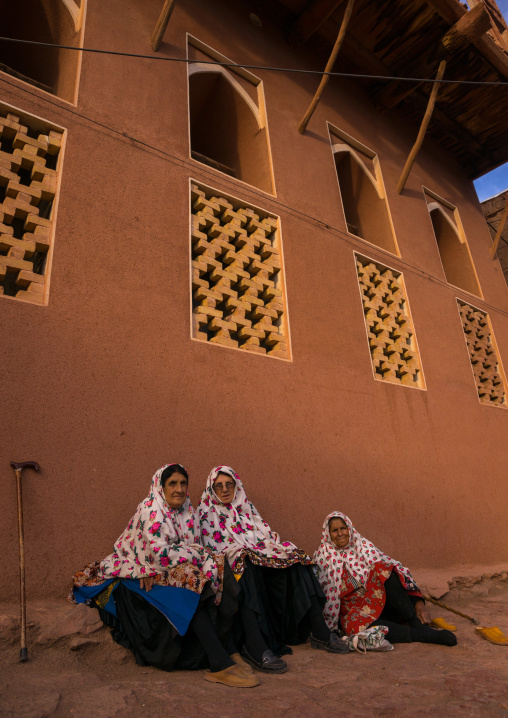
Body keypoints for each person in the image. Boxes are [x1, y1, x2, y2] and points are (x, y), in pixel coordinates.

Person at [70, 463, 258, 687]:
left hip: (169, 569)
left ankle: (228, 647)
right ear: (160, 487)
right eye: (172, 484)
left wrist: (194, 554)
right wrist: (194, 554)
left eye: (183, 483)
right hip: (143, 571)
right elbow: (162, 556)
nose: (179, 489)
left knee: (220, 566)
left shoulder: (188, 511)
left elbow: (190, 549)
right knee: (192, 576)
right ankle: (219, 663)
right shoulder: (151, 510)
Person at [198, 466, 348, 674]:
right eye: (219, 486)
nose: (225, 489)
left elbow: (265, 536)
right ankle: (254, 645)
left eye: (229, 484)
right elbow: (211, 548)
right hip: (235, 568)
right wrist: (245, 552)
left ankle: (320, 631)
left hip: (258, 559)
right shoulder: (206, 513)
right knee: (243, 563)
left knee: (295, 556)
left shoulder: (246, 507)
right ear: (212, 488)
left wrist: (272, 549)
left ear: (236, 485)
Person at [313, 512, 457, 646]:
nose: (340, 534)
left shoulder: (362, 545)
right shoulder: (322, 557)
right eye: (335, 530)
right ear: (328, 534)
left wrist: (418, 602)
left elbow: (395, 567)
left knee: (383, 568)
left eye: (343, 528)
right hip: (353, 612)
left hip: (377, 599)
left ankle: (415, 623)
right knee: (356, 626)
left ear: (349, 528)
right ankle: (421, 635)